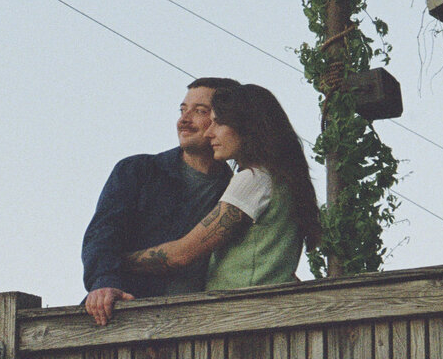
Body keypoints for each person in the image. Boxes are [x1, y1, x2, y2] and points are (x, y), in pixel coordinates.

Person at [122, 83, 320, 292]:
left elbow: (181, 255)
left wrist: (114, 261)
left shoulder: (253, 179)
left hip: (241, 307)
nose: (209, 133)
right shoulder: (281, 178)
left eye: (218, 123)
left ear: (247, 126)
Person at [80, 77, 239, 326]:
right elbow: (102, 235)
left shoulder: (235, 191)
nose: (184, 120)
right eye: (183, 110)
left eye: (200, 111)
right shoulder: (138, 171)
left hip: (201, 327)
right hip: (126, 318)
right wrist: (104, 282)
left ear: (227, 121)